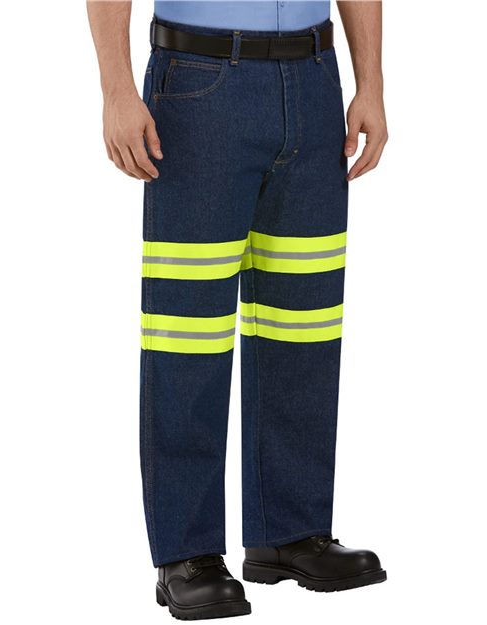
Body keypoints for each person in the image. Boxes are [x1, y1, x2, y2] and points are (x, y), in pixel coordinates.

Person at [87, 0, 389, 619]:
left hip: (314, 82)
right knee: (188, 336)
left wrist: (372, 84)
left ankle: (291, 532)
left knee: (303, 330)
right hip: (199, 84)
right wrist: (116, 89)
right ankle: (187, 553)